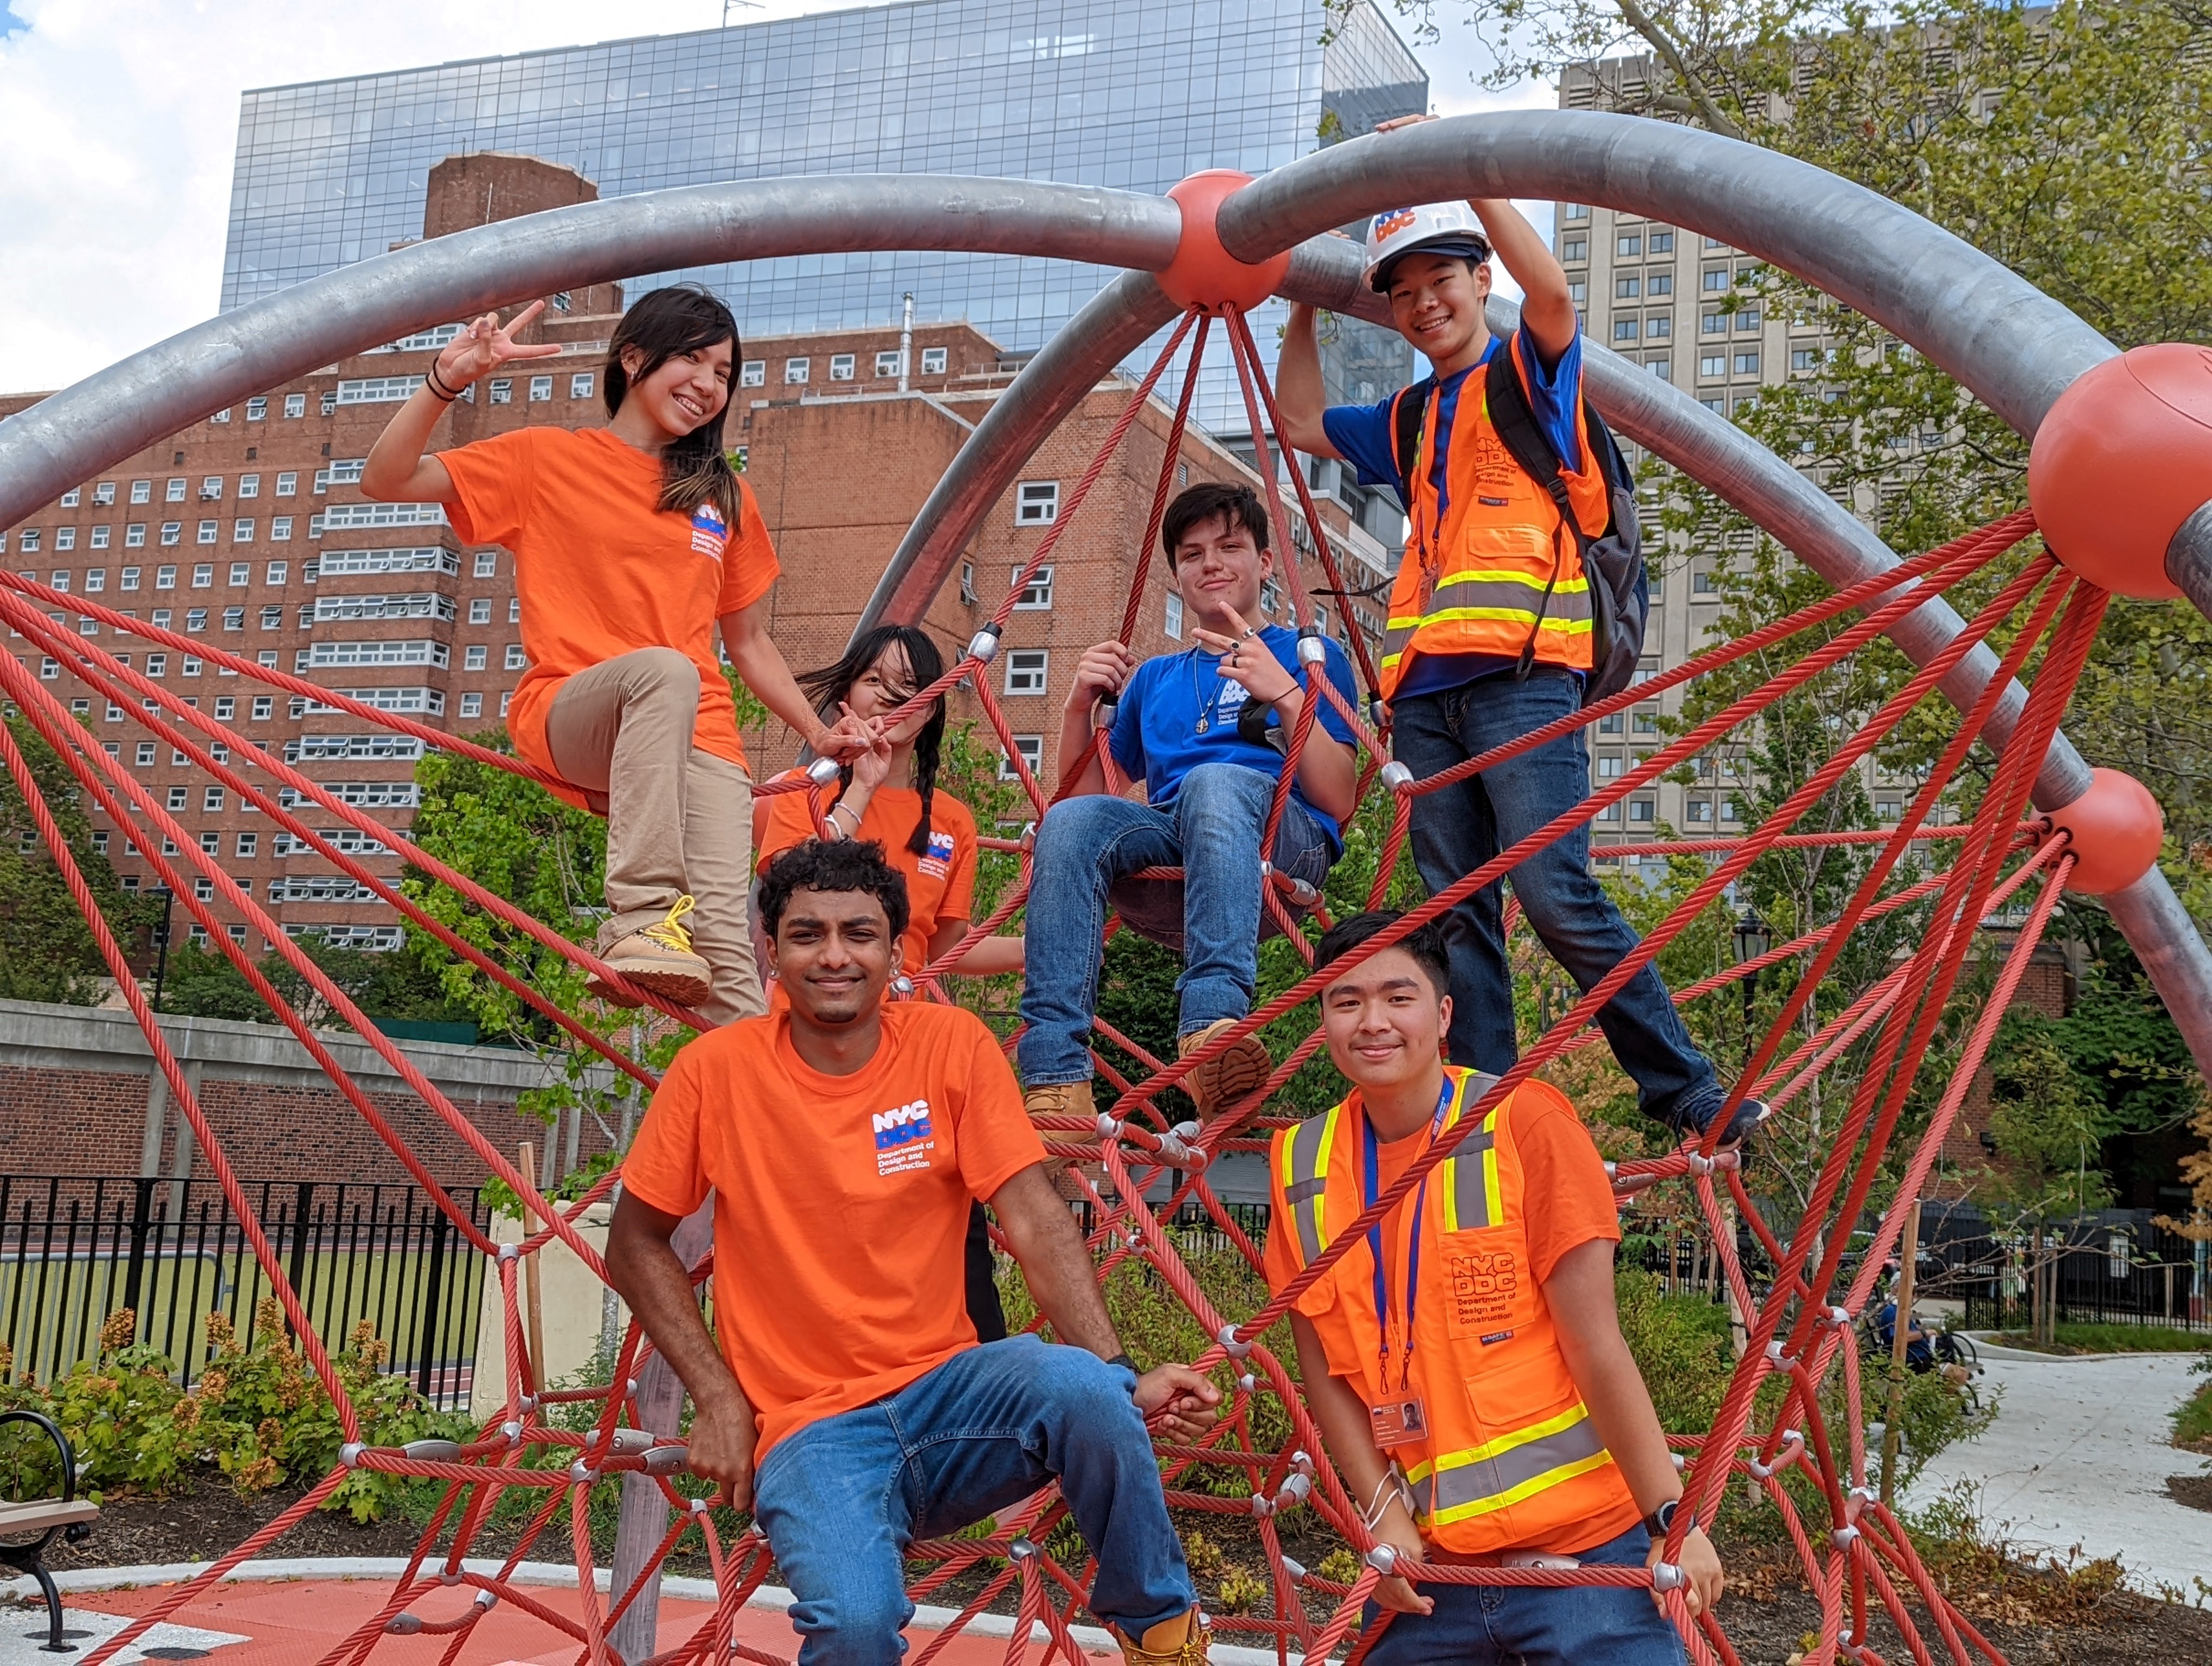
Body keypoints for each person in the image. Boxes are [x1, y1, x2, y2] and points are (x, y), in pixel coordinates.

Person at [606, 838, 1224, 1665]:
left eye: (859, 934)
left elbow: (1035, 1218)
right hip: (811, 1429)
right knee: (854, 1628)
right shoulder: (713, 1074)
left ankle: (1161, 1636)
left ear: (895, 952)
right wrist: (718, 1395)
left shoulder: (949, 1046)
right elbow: (635, 1241)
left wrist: (1120, 1372)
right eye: (807, 934)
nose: (834, 955)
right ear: (772, 949)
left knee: (1086, 1390)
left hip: (951, 1400)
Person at [1274, 155, 1759, 1146]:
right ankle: (1482, 1109)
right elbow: (1295, 422)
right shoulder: (1410, 418)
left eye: (1440, 284)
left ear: (1477, 282)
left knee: (1553, 888)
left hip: (1524, 684)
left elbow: (1553, 294)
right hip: (1425, 700)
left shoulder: (1528, 378)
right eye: (1403, 296)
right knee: (1459, 913)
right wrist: (1300, 306)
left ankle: (1684, 1089)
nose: (1422, 307)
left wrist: (1469, 171)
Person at [361, 285, 865, 1024]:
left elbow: (749, 642)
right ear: (634, 358)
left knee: (730, 955)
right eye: (691, 360)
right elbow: (386, 479)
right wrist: (448, 381)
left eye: (724, 374)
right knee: (660, 671)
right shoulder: (545, 460)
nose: (707, 385)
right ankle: (640, 918)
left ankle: (762, 1121)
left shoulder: (723, 497)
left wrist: (821, 735)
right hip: (579, 709)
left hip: (702, 737)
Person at [1266, 909, 1725, 1663]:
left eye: (1397, 997)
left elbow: (1594, 1340)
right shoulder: (1302, 1163)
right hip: (1433, 1567)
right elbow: (1324, 1372)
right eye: (1345, 1002)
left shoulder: (1523, 1122)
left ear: (1444, 1014)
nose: (1372, 1021)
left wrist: (1672, 1518)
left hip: (1583, 1558)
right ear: (1322, 1019)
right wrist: (1384, 1520)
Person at [1019, 482, 1360, 1126]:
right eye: (1194, 553)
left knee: (1216, 780)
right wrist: (1075, 708)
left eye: (1230, 547)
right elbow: (1088, 806)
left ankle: (1213, 1024)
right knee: (1066, 822)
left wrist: (1286, 695)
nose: (1212, 564)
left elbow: (1338, 798)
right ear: (1176, 575)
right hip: (1181, 852)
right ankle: (1055, 1072)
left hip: (1283, 847)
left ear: (1264, 562)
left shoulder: (1307, 656)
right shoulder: (1155, 679)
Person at [755, 623, 1025, 1341]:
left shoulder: (952, 823)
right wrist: (859, 788)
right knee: (828, 1223)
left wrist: (1044, 950)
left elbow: (949, 952)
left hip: (914, 1049)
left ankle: (979, 1378)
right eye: (877, 680)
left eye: (914, 688)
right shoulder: (801, 791)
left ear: (934, 709)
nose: (893, 698)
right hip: (820, 1042)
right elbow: (793, 895)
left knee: (948, 1215)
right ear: (847, 690)